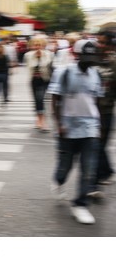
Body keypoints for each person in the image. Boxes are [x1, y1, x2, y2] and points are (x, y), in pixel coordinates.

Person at [47, 39, 103, 224]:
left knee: (88, 169)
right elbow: (55, 99)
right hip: (68, 127)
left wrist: (98, 124)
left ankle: (80, 204)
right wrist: (59, 123)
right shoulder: (64, 72)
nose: (90, 61)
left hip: (90, 128)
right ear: (76, 55)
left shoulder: (96, 74)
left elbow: (95, 101)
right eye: (86, 56)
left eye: (92, 56)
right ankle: (58, 180)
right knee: (65, 166)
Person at [94, 30, 116, 186]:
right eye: (98, 42)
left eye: (103, 42)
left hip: (106, 110)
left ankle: (104, 172)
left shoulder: (114, 63)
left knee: (100, 144)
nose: (100, 45)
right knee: (95, 144)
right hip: (89, 110)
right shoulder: (91, 59)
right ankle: (104, 172)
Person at [24, 37, 54, 131]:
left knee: (40, 98)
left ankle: (43, 121)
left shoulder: (49, 54)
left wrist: (41, 56)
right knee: (36, 100)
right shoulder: (28, 55)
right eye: (36, 45)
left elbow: (46, 64)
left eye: (39, 45)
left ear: (43, 45)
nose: (37, 47)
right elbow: (31, 65)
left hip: (45, 80)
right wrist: (36, 57)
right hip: (34, 80)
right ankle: (38, 119)